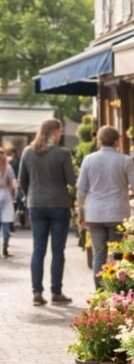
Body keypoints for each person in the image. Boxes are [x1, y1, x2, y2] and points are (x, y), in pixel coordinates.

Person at [76, 126, 134, 287]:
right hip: (117, 213)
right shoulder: (125, 160)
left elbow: (81, 190)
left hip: (94, 214)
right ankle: (117, 286)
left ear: (99, 140)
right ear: (116, 141)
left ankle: (99, 287)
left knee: (99, 252)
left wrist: (80, 212)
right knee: (118, 252)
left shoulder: (88, 160)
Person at [19, 119, 76, 306]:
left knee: (38, 249)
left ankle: (37, 292)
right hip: (59, 204)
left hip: (36, 204)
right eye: (59, 131)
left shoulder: (28, 152)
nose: (60, 134)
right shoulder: (62, 153)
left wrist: (30, 196)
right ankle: (56, 291)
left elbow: (22, 181)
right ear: (54, 132)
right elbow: (71, 180)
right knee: (58, 250)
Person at [0, 151, 16, 257]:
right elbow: (14, 183)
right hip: (6, 195)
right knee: (6, 224)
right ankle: (5, 248)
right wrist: (14, 194)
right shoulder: (8, 167)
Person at [6, 147, 24, 230]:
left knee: (12, 205)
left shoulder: (9, 163)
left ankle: (10, 224)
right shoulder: (19, 161)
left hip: (11, 186)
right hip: (18, 185)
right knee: (19, 204)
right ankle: (20, 221)